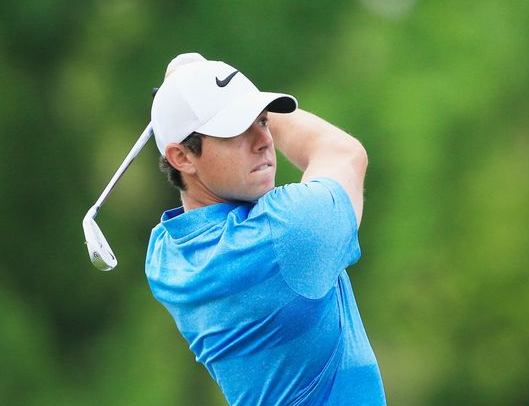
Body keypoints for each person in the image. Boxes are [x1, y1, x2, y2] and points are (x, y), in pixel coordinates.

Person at [145, 52, 386, 405]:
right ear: (182, 157)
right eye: (236, 130)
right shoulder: (287, 231)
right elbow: (343, 152)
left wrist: (192, 96)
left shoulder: (165, 260)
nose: (264, 140)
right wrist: (201, 88)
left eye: (262, 120)